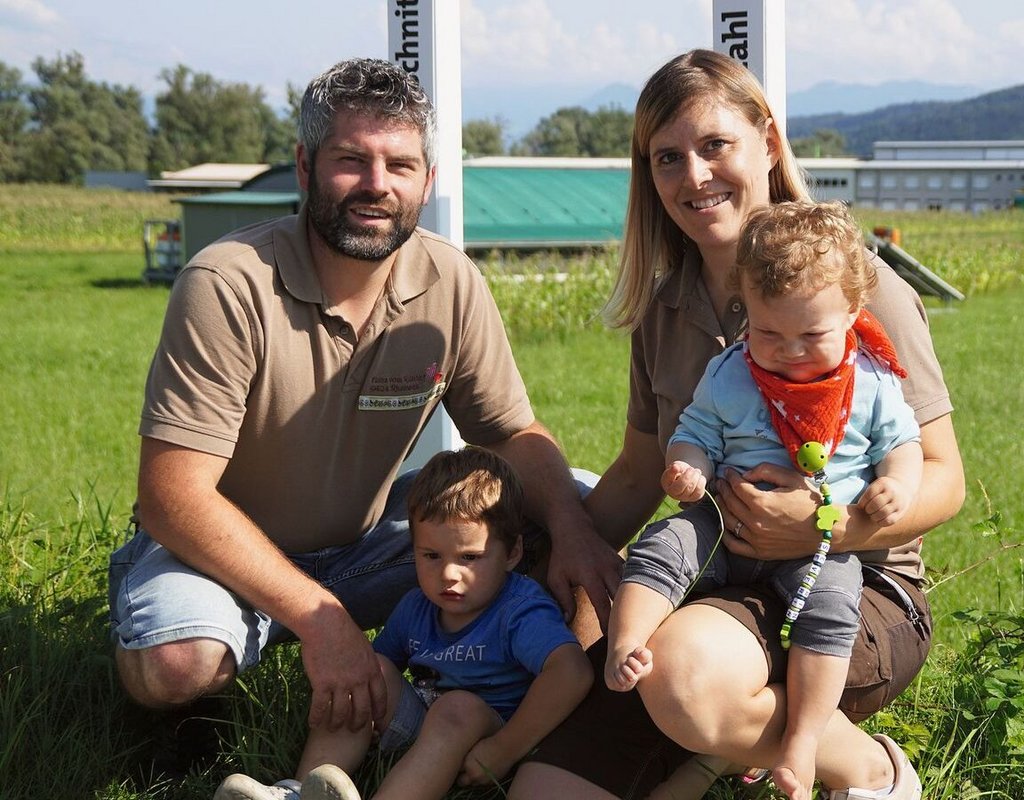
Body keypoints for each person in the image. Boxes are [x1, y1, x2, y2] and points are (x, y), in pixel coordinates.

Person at [107, 57, 618, 751]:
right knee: (178, 661)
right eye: (352, 159)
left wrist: (577, 531)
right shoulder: (227, 282)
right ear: (305, 165)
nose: (377, 186)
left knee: (570, 507)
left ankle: (563, 736)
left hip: (364, 550)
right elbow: (172, 496)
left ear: (427, 181)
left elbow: (511, 432)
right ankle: (185, 723)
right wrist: (320, 620)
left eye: (400, 165)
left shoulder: (450, 282)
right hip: (216, 558)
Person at [510, 49, 965, 800]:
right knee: (546, 792)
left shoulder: (858, 287)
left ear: (769, 142)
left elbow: (944, 479)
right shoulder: (666, 308)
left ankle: (869, 769)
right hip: (719, 578)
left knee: (685, 677)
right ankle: (716, 745)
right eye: (668, 157)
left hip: (856, 587)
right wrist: (562, 546)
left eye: (714, 145)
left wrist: (825, 527)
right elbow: (634, 473)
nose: (694, 176)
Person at [605, 201, 923, 800]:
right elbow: (695, 432)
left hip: (824, 542)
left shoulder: (872, 381)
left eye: (812, 334)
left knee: (832, 602)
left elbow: (905, 444)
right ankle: (627, 643)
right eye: (769, 333)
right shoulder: (731, 373)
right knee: (665, 541)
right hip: (725, 523)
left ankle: (805, 743)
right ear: (746, 313)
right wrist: (687, 469)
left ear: (853, 312)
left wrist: (897, 487)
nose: (791, 350)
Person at [214, 448, 593, 800]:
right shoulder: (417, 606)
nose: (449, 574)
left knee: (457, 708)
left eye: (470, 557)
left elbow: (572, 672)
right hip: (430, 727)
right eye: (431, 555)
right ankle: (301, 790)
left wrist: (505, 749)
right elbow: (378, 672)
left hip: (492, 736)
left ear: (512, 553)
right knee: (364, 673)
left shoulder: (519, 609)